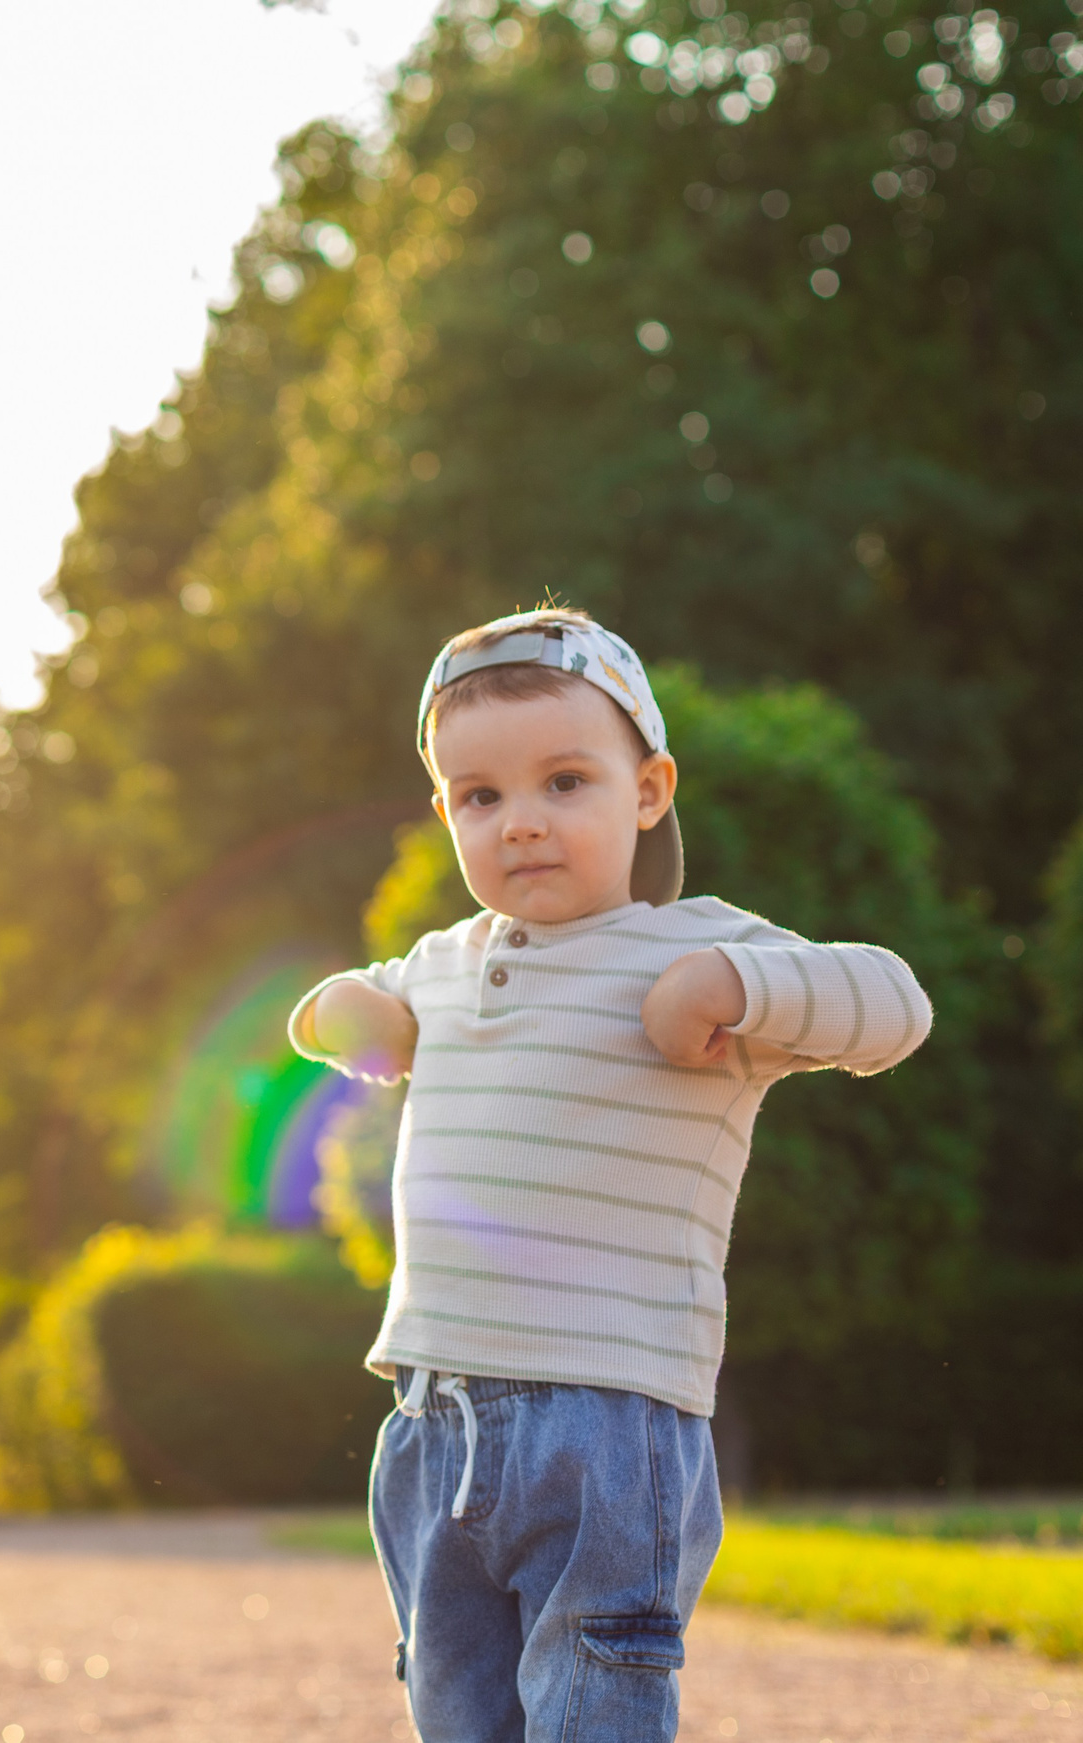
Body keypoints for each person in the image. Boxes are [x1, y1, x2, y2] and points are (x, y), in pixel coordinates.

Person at [286, 607, 931, 1742]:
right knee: (454, 1710)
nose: (521, 823)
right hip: (432, 1418)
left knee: (596, 1705)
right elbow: (326, 1019)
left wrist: (735, 987)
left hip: (607, 1424)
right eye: (480, 798)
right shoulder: (438, 964)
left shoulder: (695, 945)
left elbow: (896, 1004)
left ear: (646, 791)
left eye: (565, 782)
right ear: (445, 815)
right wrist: (346, 1014)